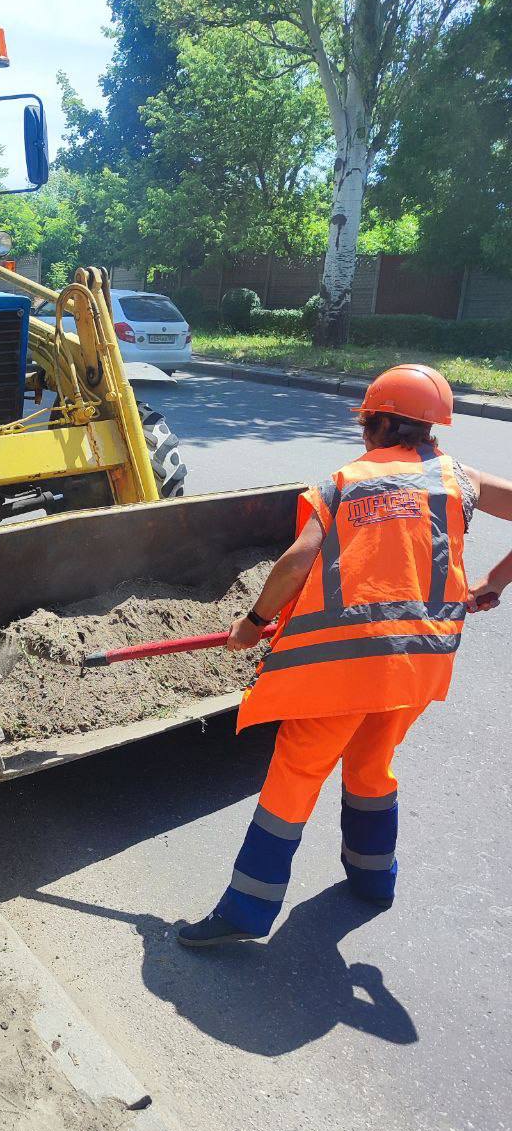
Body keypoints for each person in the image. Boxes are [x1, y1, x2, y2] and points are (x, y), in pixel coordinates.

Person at [178, 364, 512, 947]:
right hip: (418, 665)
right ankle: (373, 880)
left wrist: (254, 623)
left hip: (341, 667)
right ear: (433, 428)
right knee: (370, 765)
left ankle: (245, 913)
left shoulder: (341, 484)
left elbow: (297, 560)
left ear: (380, 424)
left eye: (366, 424)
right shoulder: (461, 480)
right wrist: (495, 582)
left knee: (295, 776)